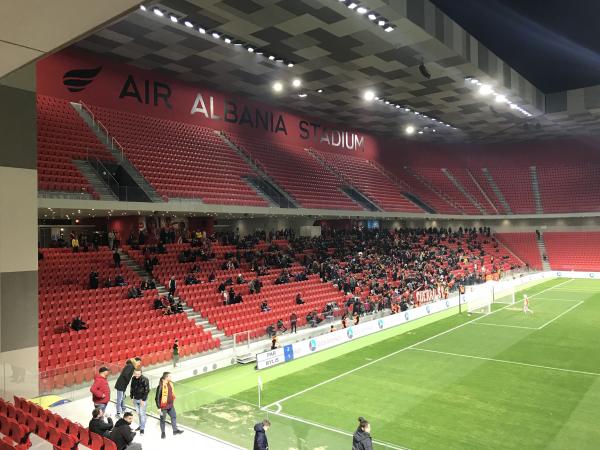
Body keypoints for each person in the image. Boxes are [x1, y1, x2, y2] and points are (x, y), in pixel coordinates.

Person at [155, 372, 184, 439]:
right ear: (166, 377)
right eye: (170, 376)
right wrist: (159, 407)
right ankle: (163, 433)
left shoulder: (170, 384)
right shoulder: (160, 386)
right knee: (162, 419)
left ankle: (175, 431)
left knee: (173, 416)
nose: (171, 377)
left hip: (170, 405)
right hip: (163, 407)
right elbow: (157, 398)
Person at [130, 369, 149, 435]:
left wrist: (143, 400)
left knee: (141, 414)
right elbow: (132, 388)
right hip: (135, 399)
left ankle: (142, 429)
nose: (137, 375)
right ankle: (141, 425)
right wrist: (131, 397)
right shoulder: (133, 378)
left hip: (142, 400)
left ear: (141, 373)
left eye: (138, 374)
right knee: (139, 413)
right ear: (134, 373)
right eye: (136, 374)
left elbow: (147, 390)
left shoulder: (145, 379)